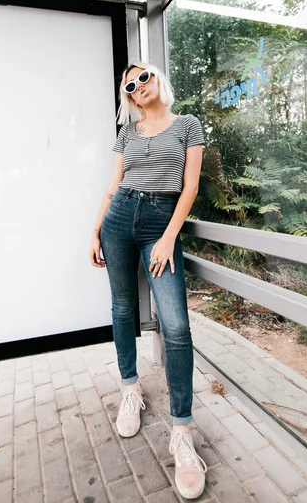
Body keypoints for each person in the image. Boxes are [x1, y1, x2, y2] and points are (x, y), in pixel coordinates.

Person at [89, 61, 207, 499]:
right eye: (129, 85)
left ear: (158, 80)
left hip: (162, 221)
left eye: (144, 78)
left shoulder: (188, 124)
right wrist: (95, 229)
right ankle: (130, 389)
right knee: (122, 307)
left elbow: (190, 186)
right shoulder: (127, 134)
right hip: (119, 218)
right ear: (129, 97)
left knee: (176, 324)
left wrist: (168, 237)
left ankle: (182, 432)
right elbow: (114, 184)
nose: (137, 86)